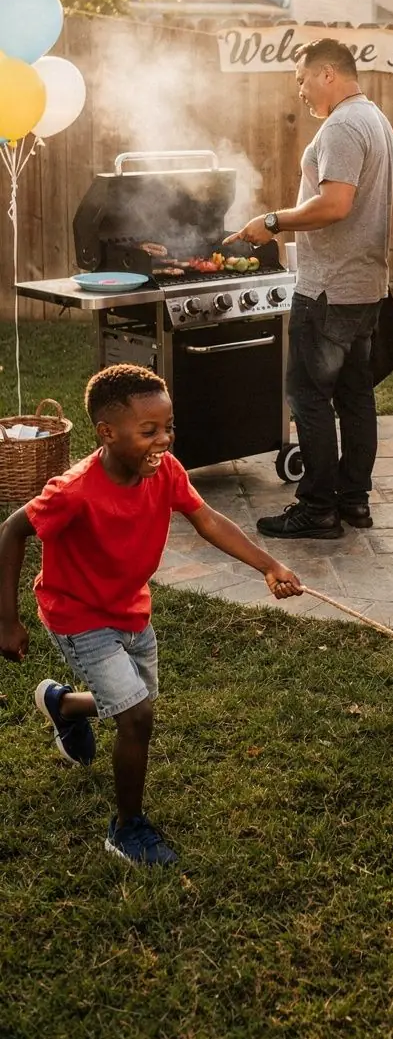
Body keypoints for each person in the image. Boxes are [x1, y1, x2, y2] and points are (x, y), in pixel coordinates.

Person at [0, 365, 302, 866]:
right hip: (77, 615)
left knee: (135, 698)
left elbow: (207, 519)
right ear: (107, 432)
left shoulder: (166, 471)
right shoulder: (74, 490)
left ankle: (62, 705)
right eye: (149, 431)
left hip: (131, 609)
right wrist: (6, 620)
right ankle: (127, 829)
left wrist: (268, 565)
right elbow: (12, 530)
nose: (163, 439)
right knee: (136, 715)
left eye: (168, 427)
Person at [226, 38, 393, 540]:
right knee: (355, 396)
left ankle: (318, 507)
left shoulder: (342, 126)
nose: (299, 91)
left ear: (327, 74)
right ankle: (354, 500)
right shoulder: (375, 119)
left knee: (308, 396)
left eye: (302, 80)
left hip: (328, 290)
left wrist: (272, 222)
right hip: (364, 286)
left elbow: (335, 205)